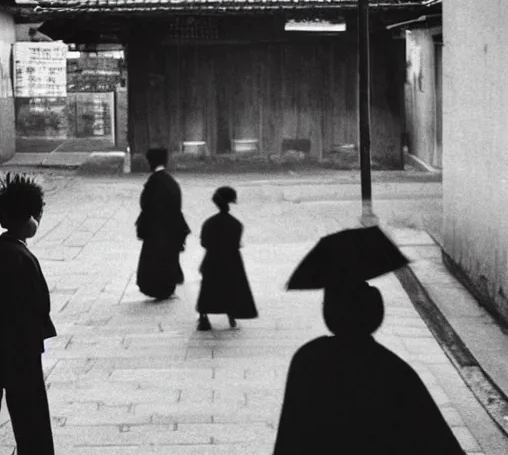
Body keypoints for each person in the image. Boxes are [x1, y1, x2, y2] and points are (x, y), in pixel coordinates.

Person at [273, 281, 465, 455]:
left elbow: (290, 432)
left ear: (329, 314)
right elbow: (436, 439)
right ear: (376, 315)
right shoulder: (394, 370)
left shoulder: (307, 358)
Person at [0, 172, 57, 455]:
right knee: (30, 417)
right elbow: (36, 304)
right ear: (31, 219)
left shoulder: (0, 251)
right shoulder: (21, 257)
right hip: (21, 347)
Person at [196, 186, 258, 331]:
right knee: (229, 289)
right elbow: (236, 243)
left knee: (208, 289)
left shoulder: (209, 223)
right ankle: (231, 313)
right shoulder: (236, 224)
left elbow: (204, 243)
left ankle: (204, 316)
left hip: (211, 260)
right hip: (232, 262)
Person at [136, 148, 190, 300]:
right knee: (168, 259)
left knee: (153, 261)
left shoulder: (153, 182)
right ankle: (167, 288)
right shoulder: (171, 182)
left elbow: (145, 204)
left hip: (154, 230)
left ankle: (157, 289)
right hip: (170, 229)